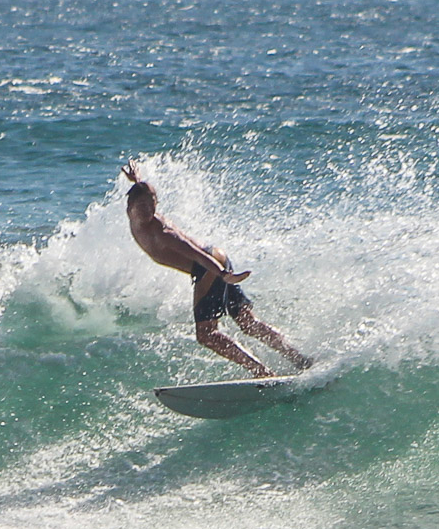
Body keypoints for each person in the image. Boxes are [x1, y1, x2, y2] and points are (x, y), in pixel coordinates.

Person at [121, 161, 312, 378]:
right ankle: (300, 359)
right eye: (143, 205)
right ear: (130, 205)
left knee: (207, 334)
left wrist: (223, 274)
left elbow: (196, 254)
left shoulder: (162, 233)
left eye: (152, 204)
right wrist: (137, 179)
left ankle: (263, 373)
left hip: (208, 265)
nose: (149, 210)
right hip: (216, 259)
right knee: (247, 323)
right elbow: (141, 192)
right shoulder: (136, 211)